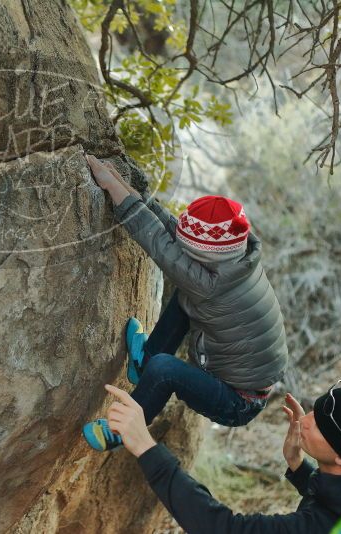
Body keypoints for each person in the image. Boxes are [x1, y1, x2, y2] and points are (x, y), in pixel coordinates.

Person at [82, 154, 288, 452]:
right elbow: (177, 235)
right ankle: (143, 364)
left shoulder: (210, 284)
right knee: (184, 298)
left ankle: (121, 432)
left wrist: (113, 188)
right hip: (245, 379)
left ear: (207, 254)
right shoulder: (237, 255)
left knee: (166, 368)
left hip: (237, 401)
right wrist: (132, 192)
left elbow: (159, 243)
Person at [96, 380, 341, 533]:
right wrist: (299, 467)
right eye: (315, 410)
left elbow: (224, 528)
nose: (306, 420)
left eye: (321, 427)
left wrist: (146, 447)